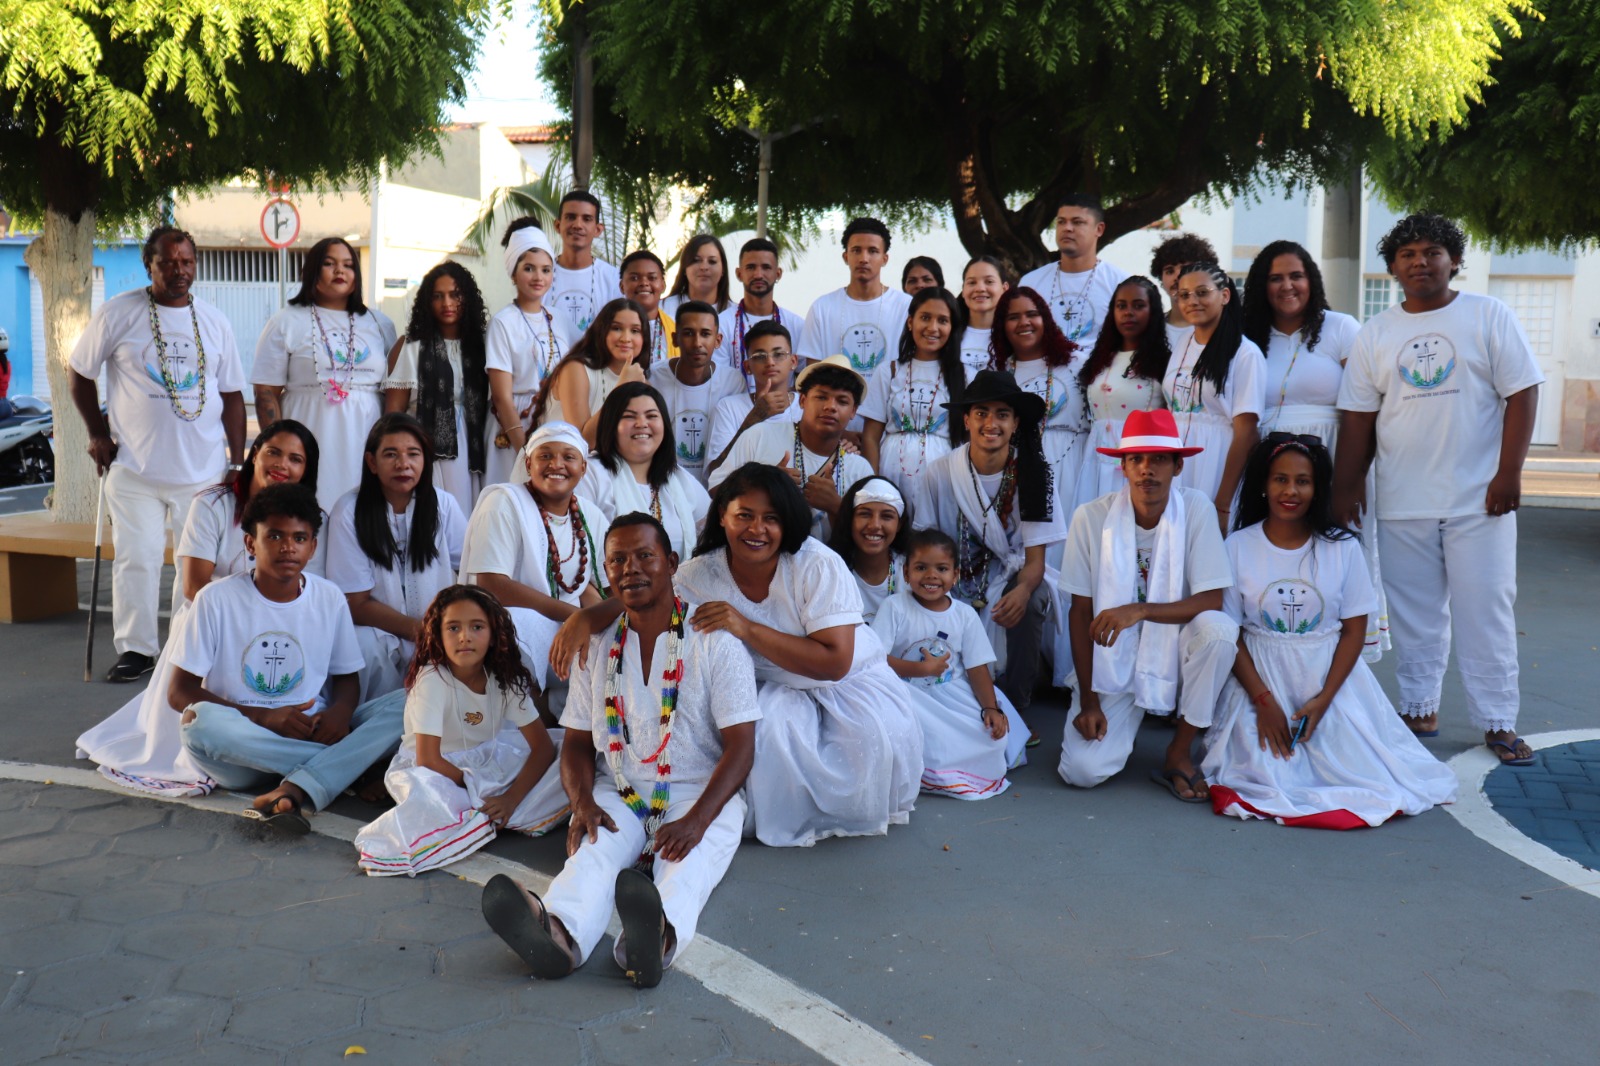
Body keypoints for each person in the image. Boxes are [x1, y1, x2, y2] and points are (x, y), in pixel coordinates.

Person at [547, 466, 922, 847]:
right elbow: (648, 590)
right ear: (722, 515)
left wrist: (747, 628)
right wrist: (586, 616)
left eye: (771, 519)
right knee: (766, 727)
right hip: (771, 684)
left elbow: (835, 664)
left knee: (851, 749)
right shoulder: (701, 573)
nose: (756, 529)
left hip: (843, 685)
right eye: (744, 515)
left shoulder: (816, 564)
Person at [481, 514, 759, 987]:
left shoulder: (715, 639)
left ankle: (652, 938)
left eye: (645, 556)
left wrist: (697, 819)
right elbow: (575, 743)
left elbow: (741, 747)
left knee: (687, 863)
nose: (631, 568)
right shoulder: (599, 644)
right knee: (593, 851)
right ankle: (558, 934)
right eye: (618, 560)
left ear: (671, 563)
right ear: (606, 574)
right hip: (623, 789)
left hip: (703, 793)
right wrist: (581, 803)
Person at [1334, 214, 1543, 764]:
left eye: (1431, 252)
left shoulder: (1487, 315)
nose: (1419, 262)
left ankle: (1497, 721)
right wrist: (1346, 487)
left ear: (1453, 259)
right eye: (1407, 254)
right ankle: (1418, 707)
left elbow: (1522, 393)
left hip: (1480, 497)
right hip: (1403, 498)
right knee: (1414, 613)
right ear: (1393, 267)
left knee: (1486, 608)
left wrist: (1509, 472)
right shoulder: (1376, 333)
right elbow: (1357, 418)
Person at [1203, 435, 1457, 827]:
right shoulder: (1238, 546)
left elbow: (1354, 632)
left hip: (1328, 680)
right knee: (1261, 771)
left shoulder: (1342, 549)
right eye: (1280, 479)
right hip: (1259, 677)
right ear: (1263, 485)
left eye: (1303, 481)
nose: (1291, 491)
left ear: (1318, 488)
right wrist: (1264, 701)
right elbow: (1232, 632)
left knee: (1356, 768)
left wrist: (1324, 701)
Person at [75, 421, 320, 796]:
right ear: (255, 454)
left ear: (306, 471)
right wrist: (250, 620)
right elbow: (193, 585)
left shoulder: (310, 519)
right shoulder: (213, 504)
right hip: (213, 623)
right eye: (273, 451)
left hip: (282, 629)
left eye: (295, 459)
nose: (282, 464)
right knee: (205, 717)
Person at [70, 225, 248, 683]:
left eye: (186, 262)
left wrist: (235, 462)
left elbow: (231, 396)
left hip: (203, 470)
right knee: (138, 557)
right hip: (134, 469)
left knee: (198, 564)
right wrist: (96, 432)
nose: (178, 270)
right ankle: (137, 650)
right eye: (167, 262)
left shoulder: (214, 320)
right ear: (149, 265)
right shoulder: (119, 314)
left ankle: (183, 648)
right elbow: (79, 371)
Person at [172, 483, 405, 833]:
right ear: (251, 542)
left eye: (299, 538)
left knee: (411, 699)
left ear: (312, 546)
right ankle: (354, 770)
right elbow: (179, 692)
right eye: (275, 536)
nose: (287, 547)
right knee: (198, 723)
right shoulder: (216, 599)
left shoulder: (328, 598)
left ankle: (307, 781)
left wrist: (340, 714)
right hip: (243, 749)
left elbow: (346, 680)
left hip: (312, 731)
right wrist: (263, 717)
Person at [1056, 409, 1238, 799]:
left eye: (1158, 459)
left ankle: (1179, 750)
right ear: (1122, 466)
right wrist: (1089, 700)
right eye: (1136, 459)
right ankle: (1123, 721)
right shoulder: (1091, 518)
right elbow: (1080, 612)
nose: (1146, 470)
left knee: (1220, 632)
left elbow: (1212, 599)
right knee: (1082, 771)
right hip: (1113, 659)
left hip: (1174, 648)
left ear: (1177, 466)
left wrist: (1139, 610)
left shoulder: (1196, 509)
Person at [1242, 241, 1388, 662]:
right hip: (1268, 463)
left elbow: (1365, 406)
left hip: (1332, 459)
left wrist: (1352, 478)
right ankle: (1273, 650)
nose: (1287, 286)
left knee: (1336, 550)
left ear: (1312, 280)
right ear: (1260, 285)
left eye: (1296, 275)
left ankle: (1345, 660)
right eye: (1275, 278)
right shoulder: (1249, 336)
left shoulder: (1341, 328)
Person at [355, 585, 566, 875]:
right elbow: (429, 759)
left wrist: (510, 797)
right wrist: (482, 789)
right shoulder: (432, 680)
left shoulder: (506, 677)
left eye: (477, 627)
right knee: (432, 799)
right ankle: (486, 814)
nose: (465, 636)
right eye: (453, 628)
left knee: (568, 750)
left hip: (488, 756)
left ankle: (493, 812)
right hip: (436, 769)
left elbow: (542, 747)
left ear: (493, 635)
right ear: (438, 636)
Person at [911, 370, 1066, 721]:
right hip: (952, 577)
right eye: (981, 413)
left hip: (1011, 576)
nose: (990, 423)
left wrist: (1023, 591)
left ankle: (1016, 706)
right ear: (966, 420)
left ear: (1015, 424)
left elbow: (1035, 560)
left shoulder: (1035, 474)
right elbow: (924, 544)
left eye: (1002, 414)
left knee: (1035, 595)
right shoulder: (940, 472)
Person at [873, 528, 1028, 798]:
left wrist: (990, 708)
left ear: (955, 575)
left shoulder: (965, 615)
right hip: (907, 693)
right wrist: (920, 669)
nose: (932, 576)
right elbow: (875, 658)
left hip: (952, 692)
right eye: (921, 567)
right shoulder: (894, 607)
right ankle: (932, 774)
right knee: (924, 735)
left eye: (941, 568)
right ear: (906, 573)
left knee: (990, 737)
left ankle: (957, 769)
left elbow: (977, 667)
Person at [325, 413, 467, 702]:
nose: (404, 464)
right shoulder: (349, 511)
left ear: (425, 460)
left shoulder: (444, 505)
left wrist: (449, 628)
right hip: (380, 635)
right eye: (391, 454)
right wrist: (422, 632)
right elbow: (355, 603)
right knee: (361, 644)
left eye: (413, 454)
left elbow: (469, 570)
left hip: (438, 631)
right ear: (372, 463)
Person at [459, 422, 609, 691]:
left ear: (583, 467)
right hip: (516, 629)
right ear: (528, 464)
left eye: (569, 456)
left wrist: (590, 620)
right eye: (545, 455)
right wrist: (576, 617)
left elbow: (595, 585)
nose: (557, 464)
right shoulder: (503, 502)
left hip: (571, 626)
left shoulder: (591, 515)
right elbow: (493, 586)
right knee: (518, 624)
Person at [251, 235, 397, 512]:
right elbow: (266, 392)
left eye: (348, 265)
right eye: (329, 264)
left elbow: (395, 389)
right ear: (313, 271)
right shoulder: (286, 321)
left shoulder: (380, 324)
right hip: (308, 440)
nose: (340, 271)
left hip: (364, 441)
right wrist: (278, 454)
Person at [709, 354, 874, 540]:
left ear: (853, 411)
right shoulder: (760, 435)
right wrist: (767, 485)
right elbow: (716, 490)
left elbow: (868, 541)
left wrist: (837, 506)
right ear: (802, 400)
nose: (830, 407)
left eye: (842, 401)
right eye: (821, 397)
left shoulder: (860, 469)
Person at [1163, 262, 1267, 528]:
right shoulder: (1183, 342)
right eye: (1184, 295)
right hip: (1177, 464)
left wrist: (1222, 503)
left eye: (1202, 292)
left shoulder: (1245, 353)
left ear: (1224, 296)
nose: (1192, 301)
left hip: (1216, 462)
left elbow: (1246, 433)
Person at [382, 261, 490, 516]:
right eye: (438, 296)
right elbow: (393, 414)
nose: (447, 304)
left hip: (475, 448)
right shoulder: (410, 346)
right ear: (426, 302)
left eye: (455, 295)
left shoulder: (482, 346)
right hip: (426, 446)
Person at [989, 286, 1089, 541]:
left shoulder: (1075, 363)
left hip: (1072, 466)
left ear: (1045, 318)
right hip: (1019, 470)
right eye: (1013, 317)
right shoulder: (999, 373)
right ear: (1002, 325)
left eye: (1032, 314)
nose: (1024, 322)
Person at [485, 220, 577, 486]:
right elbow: (502, 397)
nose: (538, 277)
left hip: (552, 420)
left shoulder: (559, 319)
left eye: (546, 270)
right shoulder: (503, 322)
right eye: (529, 269)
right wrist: (525, 453)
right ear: (514, 273)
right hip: (514, 425)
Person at [579, 382, 711, 557]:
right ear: (610, 425)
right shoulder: (590, 474)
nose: (642, 423)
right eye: (629, 416)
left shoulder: (679, 479)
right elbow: (578, 545)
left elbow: (713, 533)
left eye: (651, 416)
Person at [1074, 276, 1171, 511]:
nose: (1129, 312)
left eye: (1138, 306)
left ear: (1154, 311)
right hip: (1095, 457)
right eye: (1121, 306)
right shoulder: (1098, 360)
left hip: (1137, 460)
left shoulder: (1164, 362)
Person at [861, 286, 970, 482]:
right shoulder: (889, 371)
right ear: (911, 322)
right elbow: (870, 436)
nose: (933, 328)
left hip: (944, 476)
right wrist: (874, 484)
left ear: (952, 327)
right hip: (891, 472)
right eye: (925, 318)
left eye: (943, 320)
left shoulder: (965, 375)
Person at [800, 217, 914, 382]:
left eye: (873, 251)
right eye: (856, 250)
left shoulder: (905, 306)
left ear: (885, 259)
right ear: (845, 256)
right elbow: (813, 373)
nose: (864, 258)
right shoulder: (822, 308)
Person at [528, 297, 648, 449]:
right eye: (616, 328)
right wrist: (621, 388)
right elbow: (583, 443)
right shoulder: (576, 369)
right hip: (559, 466)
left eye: (635, 331)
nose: (626, 338)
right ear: (602, 331)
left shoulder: (639, 378)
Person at [648, 301, 745, 483]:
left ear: (718, 341)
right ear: (675, 338)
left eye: (705, 334)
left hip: (715, 487)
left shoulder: (732, 382)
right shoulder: (654, 377)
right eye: (688, 333)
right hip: (665, 485)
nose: (697, 343)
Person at [1018, 195, 1130, 346]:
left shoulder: (1121, 283)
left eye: (1077, 222)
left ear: (1099, 229)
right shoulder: (1031, 283)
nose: (1067, 228)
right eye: (1061, 222)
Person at [706, 321, 801, 475]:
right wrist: (754, 417)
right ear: (747, 367)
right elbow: (715, 473)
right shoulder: (729, 407)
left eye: (779, 354)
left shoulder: (807, 405)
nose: (770, 362)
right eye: (759, 356)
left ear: (793, 361)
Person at [717, 238, 806, 388]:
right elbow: (718, 378)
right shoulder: (722, 324)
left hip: (784, 408)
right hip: (736, 409)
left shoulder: (796, 325)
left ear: (778, 274)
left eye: (766, 267)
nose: (758, 275)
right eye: (751, 267)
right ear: (739, 274)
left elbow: (806, 376)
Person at [827, 475, 914, 623]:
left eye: (887, 516)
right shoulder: (829, 572)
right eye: (865, 514)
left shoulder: (915, 572)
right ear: (850, 519)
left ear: (899, 524)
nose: (874, 525)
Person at [550, 190, 621, 332]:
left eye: (587, 219)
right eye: (570, 217)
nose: (577, 225)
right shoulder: (542, 274)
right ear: (558, 225)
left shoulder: (613, 279)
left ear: (598, 229)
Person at [1149, 232, 1221, 341]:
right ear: (1161, 279)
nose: (1177, 277)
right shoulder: (1150, 329)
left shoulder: (1219, 328)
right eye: (1169, 271)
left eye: (1185, 269)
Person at [619, 250, 679, 371]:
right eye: (635, 278)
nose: (644, 283)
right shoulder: (609, 328)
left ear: (663, 285)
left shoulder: (676, 330)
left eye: (652, 277)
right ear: (622, 286)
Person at [958, 255, 1010, 372]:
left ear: (1005, 288)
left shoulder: (1014, 334)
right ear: (963, 290)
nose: (980, 288)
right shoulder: (949, 333)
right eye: (972, 283)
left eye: (989, 282)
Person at [662, 233, 731, 319]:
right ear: (684, 267)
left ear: (723, 269)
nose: (704, 267)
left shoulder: (737, 316)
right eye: (696, 260)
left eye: (712, 261)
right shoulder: (662, 309)